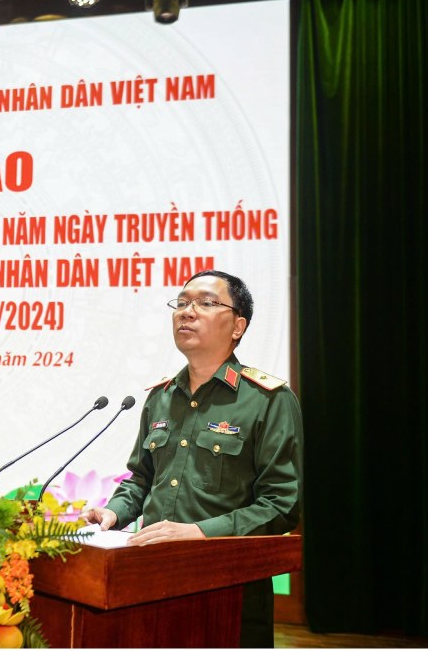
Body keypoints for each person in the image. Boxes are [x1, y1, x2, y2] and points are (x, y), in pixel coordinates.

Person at [84, 269, 303, 648]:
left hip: (227, 589)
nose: (187, 312)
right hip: (148, 581)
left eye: (205, 303)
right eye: (181, 303)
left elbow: (282, 504)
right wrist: (115, 513)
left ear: (237, 326)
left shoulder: (268, 399)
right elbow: (141, 480)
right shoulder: (160, 398)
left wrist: (200, 533)